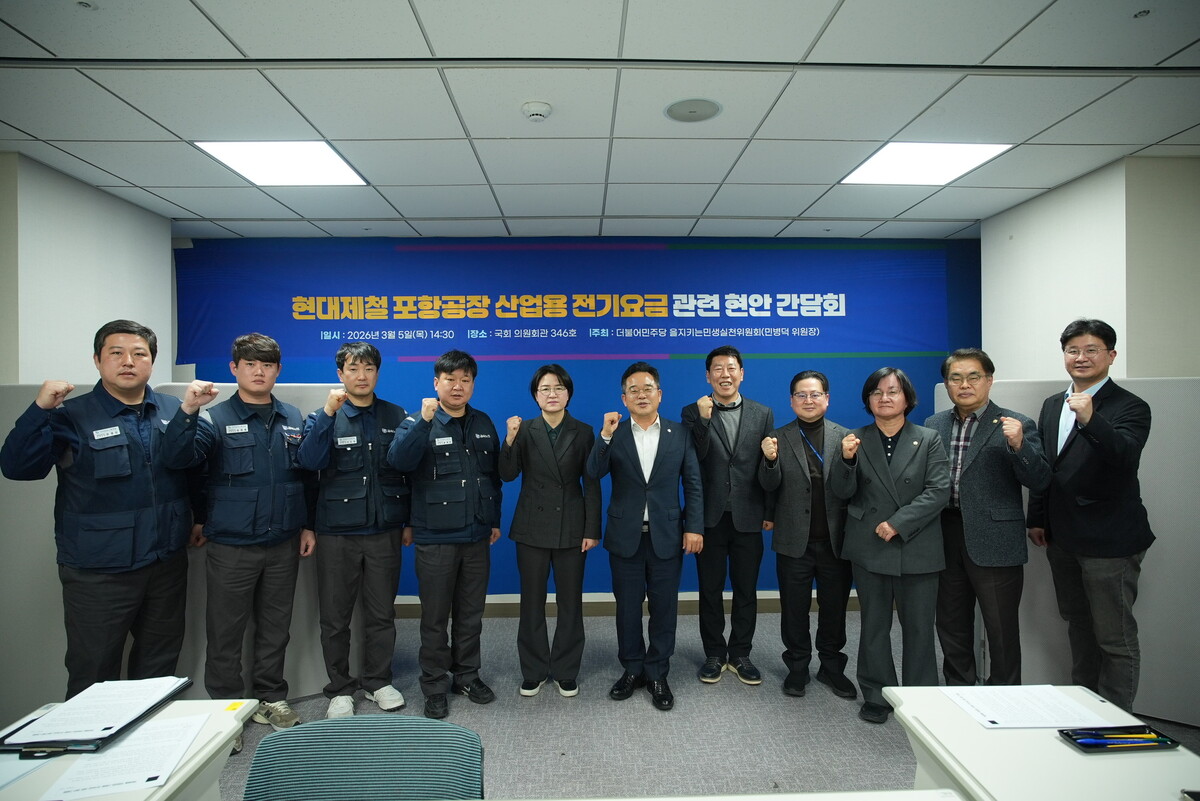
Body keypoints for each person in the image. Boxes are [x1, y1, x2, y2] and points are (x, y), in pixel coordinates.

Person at [1, 320, 195, 699]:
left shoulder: (174, 409)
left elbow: (192, 472)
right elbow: (18, 467)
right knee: (93, 671)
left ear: (151, 361)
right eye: (116, 353)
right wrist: (39, 410)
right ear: (97, 360)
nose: (128, 361)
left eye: (139, 353)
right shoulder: (70, 414)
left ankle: (147, 736)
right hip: (99, 571)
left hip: (165, 563)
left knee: (158, 667)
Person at [161, 333, 315, 741]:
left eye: (267, 365)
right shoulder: (213, 417)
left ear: (278, 370)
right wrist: (189, 411)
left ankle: (270, 696)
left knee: (276, 627)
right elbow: (180, 461)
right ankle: (225, 711)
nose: (259, 371)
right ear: (234, 369)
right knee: (226, 632)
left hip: (282, 542)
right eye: (250, 364)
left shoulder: (293, 417)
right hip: (232, 546)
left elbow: (306, 477)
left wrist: (307, 524)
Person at [1026, 319, 1154, 711]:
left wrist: (1090, 419)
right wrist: (1038, 517)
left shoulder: (1131, 406)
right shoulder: (1053, 404)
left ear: (1111, 355)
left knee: (1114, 637)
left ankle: (1118, 721)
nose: (1081, 357)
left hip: (1109, 541)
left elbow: (1124, 456)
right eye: (1073, 350)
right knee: (1079, 626)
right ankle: (1087, 708)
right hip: (1062, 538)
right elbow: (1046, 467)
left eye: (1091, 350)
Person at [296, 342, 410, 718]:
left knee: (382, 613)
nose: (361, 376)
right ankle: (340, 688)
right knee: (335, 616)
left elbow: (407, 472)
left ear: (377, 373)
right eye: (353, 369)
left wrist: (407, 521)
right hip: (336, 532)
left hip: (383, 530)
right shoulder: (322, 416)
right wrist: (329, 414)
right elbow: (309, 461)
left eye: (369, 369)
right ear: (340, 374)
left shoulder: (396, 414)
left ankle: (378, 681)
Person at [924, 348, 1051, 686]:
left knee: (1001, 628)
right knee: (950, 622)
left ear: (989, 380)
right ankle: (959, 689)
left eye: (973, 377)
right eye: (955, 378)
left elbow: (1040, 480)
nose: (964, 384)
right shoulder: (934, 424)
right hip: (945, 533)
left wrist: (1019, 446)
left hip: (995, 539)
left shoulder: (1015, 423)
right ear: (947, 384)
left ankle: (1005, 696)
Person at [830, 367, 950, 724]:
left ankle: (920, 696)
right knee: (874, 625)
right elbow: (841, 491)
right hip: (870, 545)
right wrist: (847, 461)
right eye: (877, 392)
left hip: (917, 543)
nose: (885, 398)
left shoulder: (928, 438)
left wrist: (898, 523)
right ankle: (877, 694)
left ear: (907, 398)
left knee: (919, 627)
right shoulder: (854, 439)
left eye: (893, 391)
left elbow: (939, 490)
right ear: (868, 400)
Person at [387, 349, 502, 720]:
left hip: (476, 536)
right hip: (435, 537)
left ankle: (466, 675)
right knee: (435, 618)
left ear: (472, 384)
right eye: (450, 379)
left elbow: (492, 478)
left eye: (465, 380)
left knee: (470, 614)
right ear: (436, 383)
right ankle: (434, 684)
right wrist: (423, 423)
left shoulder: (483, 421)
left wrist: (493, 520)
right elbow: (398, 462)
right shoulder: (418, 420)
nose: (458, 386)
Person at [588, 361, 703, 712]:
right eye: (633, 390)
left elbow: (693, 483)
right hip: (626, 536)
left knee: (664, 608)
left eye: (647, 388)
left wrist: (694, 527)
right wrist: (605, 436)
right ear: (624, 398)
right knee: (627, 608)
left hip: (667, 535)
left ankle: (657, 673)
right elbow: (593, 472)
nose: (641, 395)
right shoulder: (615, 433)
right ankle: (632, 669)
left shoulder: (679, 433)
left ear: (659, 394)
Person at [499, 364, 601, 698]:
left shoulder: (583, 432)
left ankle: (566, 670)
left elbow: (591, 483)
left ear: (568, 393)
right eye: (545, 389)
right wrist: (509, 439)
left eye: (558, 388)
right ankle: (533, 670)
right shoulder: (523, 429)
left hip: (572, 526)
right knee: (532, 601)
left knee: (570, 602)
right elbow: (507, 474)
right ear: (535, 395)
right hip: (531, 526)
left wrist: (592, 529)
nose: (552, 394)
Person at [759, 370, 856, 700]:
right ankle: (797, 666)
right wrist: (769, 461)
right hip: (793, 541)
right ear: (791, 401)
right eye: (801, 395)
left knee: (835, 609)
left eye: (815, 394)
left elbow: (849, 489)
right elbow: (768, 485)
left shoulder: (846, 437)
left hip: (834, 541)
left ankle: (831, 666)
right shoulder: (777, 437)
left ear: (827, 398)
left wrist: (848, 460)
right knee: (794, 609)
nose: (808, 400)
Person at [680, 346, 775, 685]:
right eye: (717, 369)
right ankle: (714, 654)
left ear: (741, 373)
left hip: (748, 515)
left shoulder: (762, 413)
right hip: (710, 518)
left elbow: (767, 463)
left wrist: (769, 510)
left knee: (746, 590)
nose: (725, 374)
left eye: (731, 368)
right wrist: (704, 421)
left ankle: (741, 654)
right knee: (710, 589)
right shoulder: (692, 412)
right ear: (708, 376)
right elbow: (693, 460)